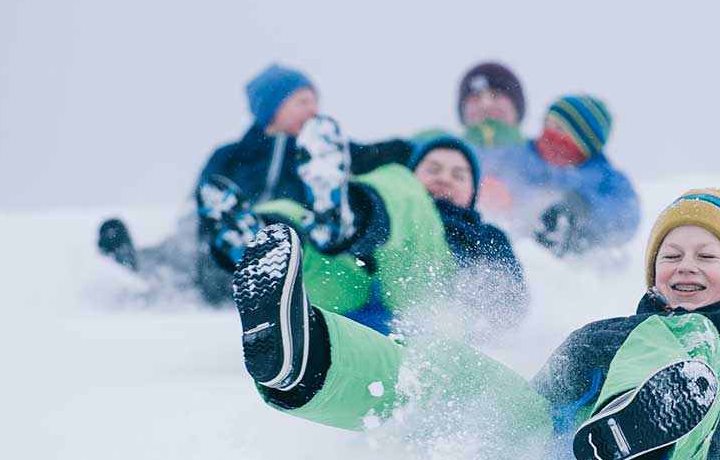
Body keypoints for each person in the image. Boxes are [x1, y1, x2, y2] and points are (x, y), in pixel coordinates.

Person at [229, 188, 720, 460]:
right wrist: (503, 419)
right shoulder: (606, 335)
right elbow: (540, 395)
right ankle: (309, 362)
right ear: (652, 272)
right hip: (563, 452)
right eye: (671, 255)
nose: (685, 266)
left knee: (686, 337)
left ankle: (638, 431)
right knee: (454, 372)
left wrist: (693, 377)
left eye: (706, 256)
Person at [97, 63, 411, 304]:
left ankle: (270, 249)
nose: (314, 110)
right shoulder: (232, 155)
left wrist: (416, 149)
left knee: (308, 227)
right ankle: (148, 264)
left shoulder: (324, 152)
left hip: (296, 241)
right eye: (303, 101)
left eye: (315, 102)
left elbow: (372, 156)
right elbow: (206, 198)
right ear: (274, 106)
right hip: (225, 248)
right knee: (192, 242)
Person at [207, 120, 527, 338]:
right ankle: (256, 235)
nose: (444, 178)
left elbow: (513, 302)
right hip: (361, 295)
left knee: (400, 188)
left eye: (459, 175)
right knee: (309, 235)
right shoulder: (401, 201)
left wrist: (485, 293)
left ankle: (348, 218)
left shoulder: (486, 235)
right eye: (432, 169)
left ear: (473, 194)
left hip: (429, 300)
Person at [478, 95, 641, 256]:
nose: (549, 133)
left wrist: (583, 208)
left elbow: (626, 217)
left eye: (560, 128)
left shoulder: (606, 180)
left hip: (569, 263)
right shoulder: (518, 155)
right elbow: (471, 160)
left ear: (584, 140)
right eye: (547, 124)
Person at [456, 61, 528, 148]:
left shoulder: (544, 155)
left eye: (496, 95)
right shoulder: (440, 151)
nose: (486, 105)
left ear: (516, 106)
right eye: (476, 97)